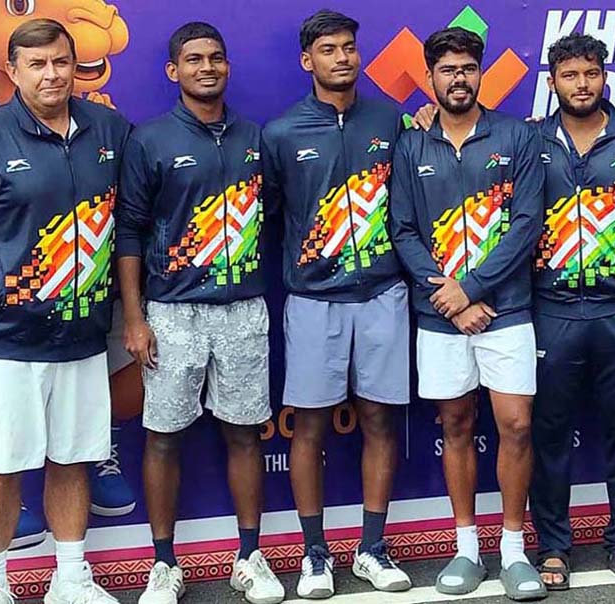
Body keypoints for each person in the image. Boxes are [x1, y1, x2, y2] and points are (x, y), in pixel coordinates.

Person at [0, 18, 131, 604]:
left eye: (60, 62)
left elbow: (133, 216)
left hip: (84, 336)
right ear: (13, 70)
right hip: (9, 342)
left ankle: (70, 577)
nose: (51, 75)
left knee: (73, 459)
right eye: (37, 64)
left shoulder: (109, 130)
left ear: (74, 66)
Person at [115, 22, 283, 604]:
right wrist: (134, 317)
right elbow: (129, 232)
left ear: (227, 66)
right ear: (174, 71)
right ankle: (164, 565)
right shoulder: (150, 140)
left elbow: (275, 213)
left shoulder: (256, 137)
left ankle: (250, 557)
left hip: (243, 311)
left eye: (215, 58)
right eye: (193, 59)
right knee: (162, 438)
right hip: (172, 313)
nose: (206, 67)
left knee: (245, 434)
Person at [389, 26, 547, 601]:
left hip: (506, 310)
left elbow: (527, 224)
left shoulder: (516, 137)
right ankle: (466, 548)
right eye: (448, 70)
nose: (459, 79)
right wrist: (449, 299)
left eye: (468, 69)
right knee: (455, 426)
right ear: (430, 78)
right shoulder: (412, 144)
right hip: (440, 316)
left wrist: (474, 289)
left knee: (517, 426)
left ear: (480, 74)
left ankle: (513, 550)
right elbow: (402, 230)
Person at [260, 10, 412, 600]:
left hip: (383, 293)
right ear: (308, 61)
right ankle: (314, 554)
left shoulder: (391, 120)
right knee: (310, 427)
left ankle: (372, 548)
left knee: (379, 420)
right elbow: (270, 217)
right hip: (313, 298)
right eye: (328, 49)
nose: (342, 58)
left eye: (349, 47)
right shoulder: (280, 133)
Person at [527, 33, 615, 592]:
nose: (581, 84)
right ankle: (553, 546)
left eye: (590, 73)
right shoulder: (530, 139)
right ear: (553, 83)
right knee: (548, 435)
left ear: (605, 77)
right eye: (570, 75)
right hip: (553, 312)